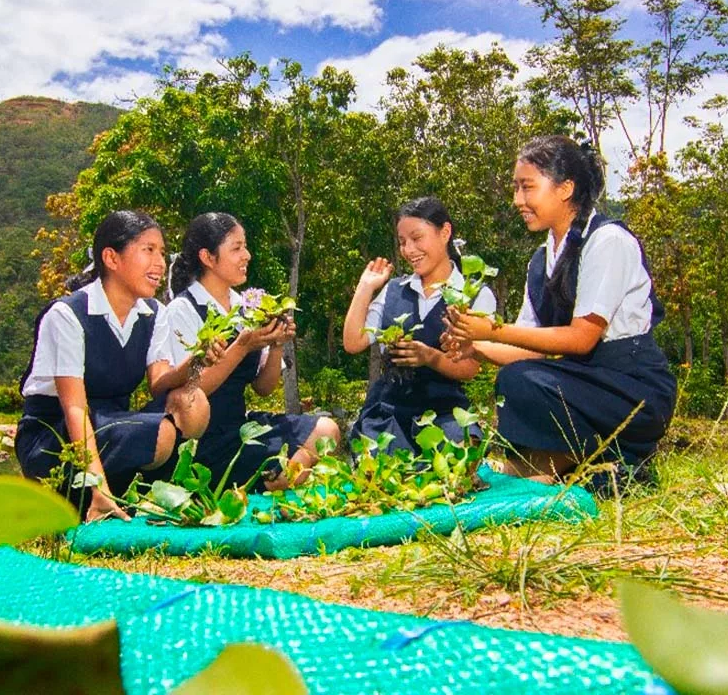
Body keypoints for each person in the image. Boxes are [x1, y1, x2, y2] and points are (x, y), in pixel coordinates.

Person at [444, 136, 676, 489]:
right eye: (516, 189)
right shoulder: (541, 260)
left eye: (527, 188)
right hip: (580, 383)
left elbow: (582, 339)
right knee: (516, 378)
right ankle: (581, 462)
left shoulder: (608, 241)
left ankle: (577, 459)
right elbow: (530, 346)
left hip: (630, 388)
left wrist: (489, 330)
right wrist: (474, 346)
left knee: (520, 380)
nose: (517, 200)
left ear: (565, 188)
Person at [15, 209, 210, 522]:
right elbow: (74, 409)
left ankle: (140, 495)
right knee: (159, 433)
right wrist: (98, 487)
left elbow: (160, 382)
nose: (160, 263)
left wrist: (197, 362)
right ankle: (94, 497)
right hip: (54, 438)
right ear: (111, 258)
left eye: (161, 252)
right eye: (148, 250)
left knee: (192, 403)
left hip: (113, 425)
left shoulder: (153, 313)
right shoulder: (67, 315)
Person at [166, 211, 341, 491]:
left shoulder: (245, 307)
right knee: (286, 467)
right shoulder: (182, 310)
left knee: (326, 431)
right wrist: (243, 345)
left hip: (240, 428)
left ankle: (271, 482)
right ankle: (264, 484)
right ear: (208, 258)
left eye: (245, 246)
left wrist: (276, 344)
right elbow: (192, 392)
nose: (247, 255)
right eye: (236, 248)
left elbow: (264, 388)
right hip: (201, 438)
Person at [342, 196, 496, 458]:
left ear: (444, 232)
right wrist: (366, 287)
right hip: (389, 416)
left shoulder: (473, 294)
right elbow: (353, 342)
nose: (409, 250)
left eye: (417, 238)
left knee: (454, 466)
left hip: (446, 415)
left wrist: (430, 357)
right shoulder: (394, 291)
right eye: (403, 242)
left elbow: (470, 368)